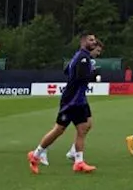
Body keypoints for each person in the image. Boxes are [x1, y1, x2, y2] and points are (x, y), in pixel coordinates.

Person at [28, 32, 99, 174]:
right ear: (83, 41)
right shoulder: (83, 58)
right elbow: (80, 77)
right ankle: (35, 155)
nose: (94, 42)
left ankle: (79, 162)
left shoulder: (78, 56)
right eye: (91, 40)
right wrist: (94, 76)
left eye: (94, 40)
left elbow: (67, 71)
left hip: (78, 99)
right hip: (71, 101)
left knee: (83, 128)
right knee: (58, 130)